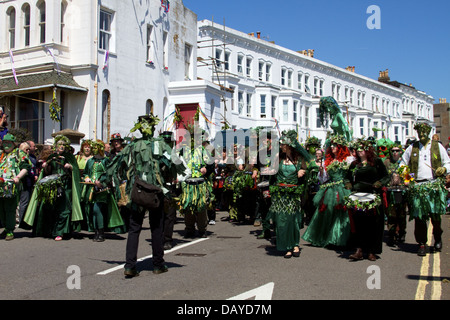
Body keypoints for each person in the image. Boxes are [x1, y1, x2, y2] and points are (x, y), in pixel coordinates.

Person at [97, 114, 176, 277]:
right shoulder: (159, 145)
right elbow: (172, 165)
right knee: (156, 227)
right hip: (155, 191)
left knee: (134, 228)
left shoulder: (132, 146)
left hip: (138, 190)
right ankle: (158, 264)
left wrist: (103, 180)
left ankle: (130, 266)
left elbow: (116, 164)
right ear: (153, 128)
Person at [400, 122, 450, 256]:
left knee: (435, 217)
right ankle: (422, 243)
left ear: (428, 132)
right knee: (419, 217)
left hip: (434, 185)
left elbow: (447, 162)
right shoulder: (412, 147)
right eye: (419, 132)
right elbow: (403, 164)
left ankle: (438, 237)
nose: (421, 134)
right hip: (418, 186)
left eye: (424, 132)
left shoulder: (437, 146)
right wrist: (409, 177)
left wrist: (444, 169)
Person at [267, 130, 317, 258]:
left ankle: (295, 244)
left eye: (283, 144)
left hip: (293, 194)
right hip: (280, 194)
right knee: (281, 221)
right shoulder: (278, 159)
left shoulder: (299, 159)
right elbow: (272, 174)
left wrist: (302, 171)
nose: (281, 146)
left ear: (289, 145)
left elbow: (310, 167)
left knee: (293, 220)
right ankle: (287, 246)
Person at [23, 135, 83, 241]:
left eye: (63, 145)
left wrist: (70, 167)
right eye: (59, 145)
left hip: (66, 187)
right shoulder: (52, 157)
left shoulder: (70, 157)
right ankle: (50, 230)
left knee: (64, 210)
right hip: (53, 186)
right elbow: (47, 173)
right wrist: (46, 166)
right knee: (50, 208)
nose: (61, 147)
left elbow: (76, 172)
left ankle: (60, 232)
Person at [302, 134, 355, 248]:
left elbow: (353, 173)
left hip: (343, 188)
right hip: (330, 188)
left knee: (341, 212)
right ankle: (325, 238)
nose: (332, 147)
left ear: (340, 147)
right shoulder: (329, 161)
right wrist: (321, 172)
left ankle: (339, 239)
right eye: (331, 145)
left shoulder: (348, 159)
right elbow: (323, 179)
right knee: (327, 211)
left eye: (335, 145)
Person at [345, 137, 388, 261]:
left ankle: (372, 251)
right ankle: (359, 250)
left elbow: (386, 177)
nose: (359, 151)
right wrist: (348, 183)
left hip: (373, 195)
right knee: (359, 224)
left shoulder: (376, 162)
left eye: (362, 149)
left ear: (367, 150)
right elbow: (346, 177)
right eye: (357, 149)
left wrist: (380, 183)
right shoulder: (354, 164)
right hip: (358, 196)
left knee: (373, 224)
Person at [82, 140, 125, 242]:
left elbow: (109, 174)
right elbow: (85, 173)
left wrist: (101, 182)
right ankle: (96, 232)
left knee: (97, 209)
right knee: (93, 211)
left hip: (102, 189)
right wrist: (87, 178)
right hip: (90, 188)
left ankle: (101, 232)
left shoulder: (106, 161)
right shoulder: (90, 161)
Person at [179, 130, 214, 238]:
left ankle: (202, 229)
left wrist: (206, 169)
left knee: (201, 208)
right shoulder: (183, 151)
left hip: (200, 183)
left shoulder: (204, 151)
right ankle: (189, 229)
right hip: (187, 184)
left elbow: (211, 165)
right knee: (188, 207)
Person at [0, 134, 31, 240]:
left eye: (9, 142)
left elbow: (26, 167)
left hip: (11, 186)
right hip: (0, 185)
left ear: (13, 144)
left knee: (9, 208)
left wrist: (18, 177)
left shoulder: (19, 153)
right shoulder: (1, 154)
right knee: (1, 209)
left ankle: (9, 231)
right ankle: (6, 227)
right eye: (5, 142)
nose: (6, 144)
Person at [383, 142, 408, 246]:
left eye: (397, 151)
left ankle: (402, 232)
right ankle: (391, 234)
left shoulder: (404, 162)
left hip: (401, 191)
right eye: (393, 151)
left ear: (400, 152)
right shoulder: (386, 163)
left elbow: (410, 174)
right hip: (390, 191)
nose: (394, 153)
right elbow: (383, 176)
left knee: (401, 214)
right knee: (391, 214)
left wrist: (407, 180)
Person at [17, 141, 37, 225]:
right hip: (23, 182)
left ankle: (25, 220)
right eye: (26, 149)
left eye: (29, 149)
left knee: (26, 202)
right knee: (23, 202)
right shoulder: (21, 158)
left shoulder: (30, 157)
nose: (28, 151)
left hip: (29, 182)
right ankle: (22, 221)